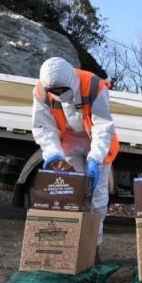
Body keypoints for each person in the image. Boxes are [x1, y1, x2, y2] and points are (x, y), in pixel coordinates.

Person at [32, 57, 119, 260]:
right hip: (69, 143)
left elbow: (103, 126)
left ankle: (92, 248)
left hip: (96, 143)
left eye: (62, 90)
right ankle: (69, 247)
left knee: (96, 199)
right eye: (55, 91)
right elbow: (43, 126)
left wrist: (95, 159)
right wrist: (53, 153)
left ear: (72, 82)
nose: (58, 95)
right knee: (70, 195)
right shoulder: (42, 91)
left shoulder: (94, 85)